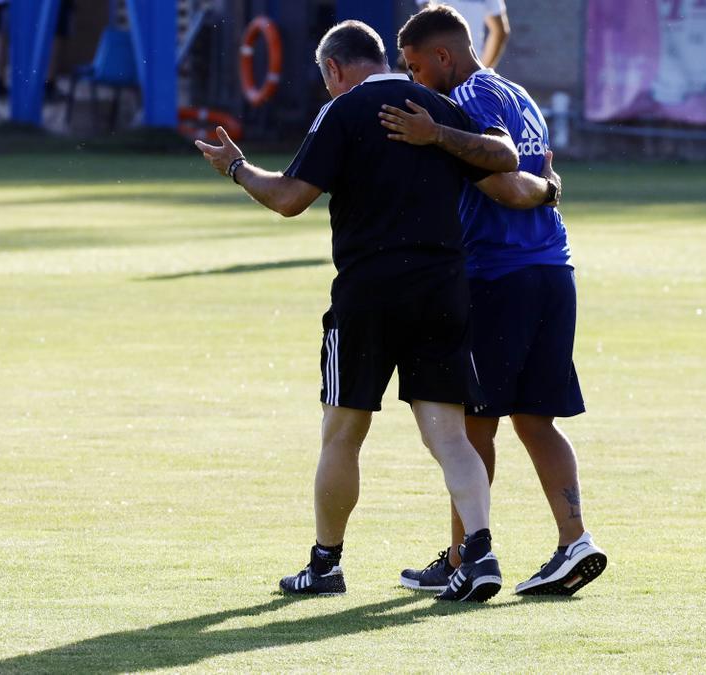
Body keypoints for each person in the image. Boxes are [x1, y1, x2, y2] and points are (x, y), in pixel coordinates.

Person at [195, 20, 521, 602]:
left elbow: (290, 198)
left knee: (343, 432)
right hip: (442, 288)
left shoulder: (342, 111)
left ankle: (326, 565)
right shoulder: (433, 106)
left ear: (334, 69)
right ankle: (479, 551)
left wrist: (237, 168)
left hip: (368, 293)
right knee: (448, 434)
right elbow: (501, 160)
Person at [383, 4, 608, 596]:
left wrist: (435, 135)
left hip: (497, 277)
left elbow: (503, 170)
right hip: (552, 272)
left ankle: (466, 557)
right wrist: (546, 190)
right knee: (536, 418)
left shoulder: (472, 99)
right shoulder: (520, 93)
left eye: (414, 67)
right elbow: (532, 177)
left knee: (473, 424)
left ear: (443, 57)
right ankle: (574, 541)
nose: (413, 81)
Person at [415, 0, 510, 68]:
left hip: (437, 68)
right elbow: (500, 32)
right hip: (466, 70)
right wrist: (481, 73)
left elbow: (425, 23)